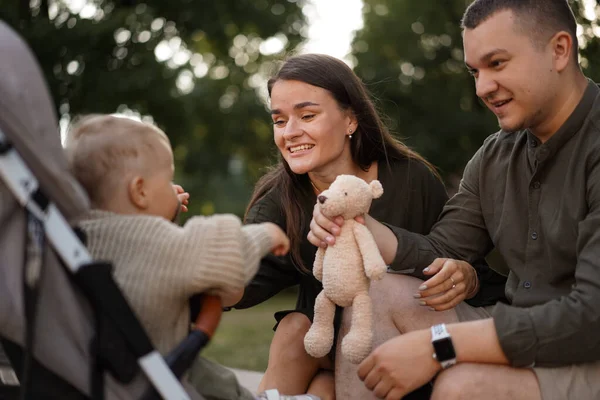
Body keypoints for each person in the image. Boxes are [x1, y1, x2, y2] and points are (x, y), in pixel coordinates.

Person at [309, 1, 600, 399]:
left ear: (560, 49)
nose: (482, 88)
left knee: (461, 386)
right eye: (475, 71)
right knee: (382, 292)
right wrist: (357, 225)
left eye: (497, 64)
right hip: (517, 324)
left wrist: (440, 345)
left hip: (589, 347)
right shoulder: (495, 156)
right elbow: (442, 249)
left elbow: (591, 317)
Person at [228, 53, 506, 400]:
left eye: (307, 115)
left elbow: (460, 262)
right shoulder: (280, 199)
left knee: (323, 389)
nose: (290, 132)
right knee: (293, 329)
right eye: (279, 120)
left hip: (400, 345)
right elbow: (240, 281)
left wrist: (467, 275)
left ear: (350, 120)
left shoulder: (409, 180)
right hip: (324, 342)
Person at [64, 114, 318, 400]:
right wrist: (266, 234)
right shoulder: (163, 246)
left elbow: (137, 245)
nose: (172, 186)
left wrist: (161, 208)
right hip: (159, 380)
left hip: (104, 379)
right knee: (216, 382)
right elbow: (219, 250)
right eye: (167, 179)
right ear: (139, 190)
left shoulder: (72, 241)